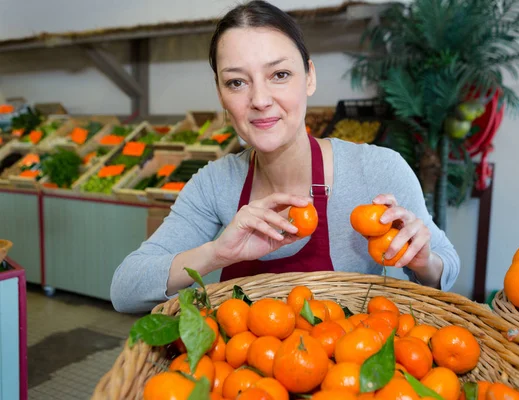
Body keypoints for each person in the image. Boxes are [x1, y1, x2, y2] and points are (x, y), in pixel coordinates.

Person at [110, 0, 460, 313]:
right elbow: (125, 289)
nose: (260, 100)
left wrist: (423, 261)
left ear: (309, 77)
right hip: (245, 380)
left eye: (280, 75)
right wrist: (217, 252)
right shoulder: (215, 183)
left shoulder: (376, 169)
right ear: (219, 93)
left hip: (349, 376)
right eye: (236, 82)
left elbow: (447, 268)